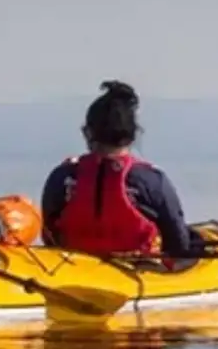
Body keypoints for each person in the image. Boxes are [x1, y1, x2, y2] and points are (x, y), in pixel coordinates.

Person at [41, 81, 202, 258]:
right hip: (139, 271)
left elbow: (50, 235)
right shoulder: (151, 181)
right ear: (133, 135)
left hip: (73, 269)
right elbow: (178, 244)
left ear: (87, 132)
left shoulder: (62, 177)